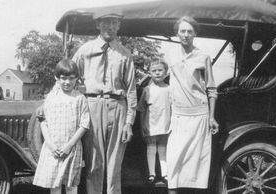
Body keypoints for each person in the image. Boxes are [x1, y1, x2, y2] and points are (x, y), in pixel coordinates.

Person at [71, 10, 137, 194]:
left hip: (118, 108)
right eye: (105, 22)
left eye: (114, 22)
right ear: (97, 25)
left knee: (115, 163)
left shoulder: (125, 53)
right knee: (94, 162)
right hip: (93, 106)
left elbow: (131, 90)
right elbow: (68, 76)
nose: (110, 26)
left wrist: (129, 122)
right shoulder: (85, 50)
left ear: (119, 26)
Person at [164, 16, 219, 193]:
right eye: (182, 31)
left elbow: (211, 89)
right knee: (173, 163)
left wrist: (211, 117)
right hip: (178, 116)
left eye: (189, 31)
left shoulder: (203, 57)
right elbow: (160, 77)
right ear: (177, 33)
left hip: (199, 116)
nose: (186, 35)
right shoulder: (169, 55)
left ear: (195, 33)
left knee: (197, 166)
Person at [32, 59, 90, 194]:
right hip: (53, 149)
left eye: (71, 78)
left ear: (76, 79)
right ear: (56, 78)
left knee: (71, 186)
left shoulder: (79, 98)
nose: (67, 82)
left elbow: (84, 124)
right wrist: (50, 144)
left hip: (72, 148)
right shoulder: (51, 97)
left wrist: (69, 145)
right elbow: (43, 121)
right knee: (55, 186)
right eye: (63, 78)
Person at [137, 59, 171, 184]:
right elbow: (141, 109)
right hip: (151, 124)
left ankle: (165, 173)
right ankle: (152, 173)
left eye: (160, 70)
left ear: (166, 72)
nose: (157, 73)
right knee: (151, 148)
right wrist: (142, 126)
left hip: (165, 123)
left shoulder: (169, 89)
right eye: (154, 71)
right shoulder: (147, 90)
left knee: (162, 148)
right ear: (150, 73)